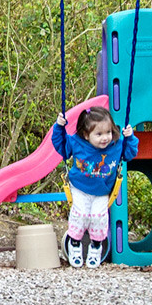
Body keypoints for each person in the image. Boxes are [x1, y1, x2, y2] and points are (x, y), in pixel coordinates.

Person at [50, 106, 140, 268]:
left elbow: (130, 153)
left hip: (103, 191)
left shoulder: (116, 145)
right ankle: (75, 244)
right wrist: (59, 126)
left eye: (108, 132)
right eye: (98, 134)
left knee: (99, 218)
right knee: (81, 214)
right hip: (80, 187)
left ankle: (96, 247)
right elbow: (60, 145)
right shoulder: (77, 143)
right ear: (86, 135)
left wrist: (130, 137)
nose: (105, 138)